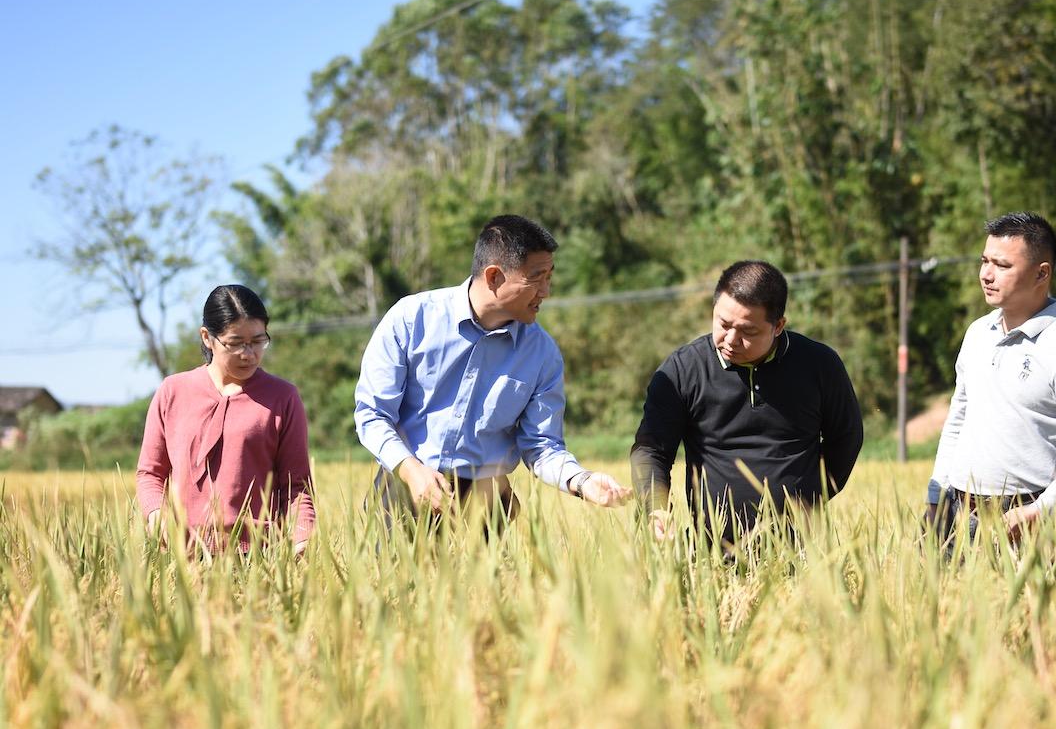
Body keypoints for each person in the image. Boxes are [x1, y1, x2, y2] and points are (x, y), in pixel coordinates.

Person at [355, 214, 631, 525]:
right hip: (404, 487)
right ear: (494, 277)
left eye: (549, 277)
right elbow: (372, 414)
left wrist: (582, 482)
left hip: (487, 505)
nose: (546, 292)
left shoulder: (542, 354)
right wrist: (410, 470)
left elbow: (541, 445)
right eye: (536, 277)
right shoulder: (411, 319)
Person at [631, 260, 864, 544]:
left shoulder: (819, 365)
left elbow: (846, 437)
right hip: (711, 552)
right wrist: (655, 508)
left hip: (803, 550)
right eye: (723, 324)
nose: (731, 339)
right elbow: (651, 449)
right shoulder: (682, 370)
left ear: (778, 326)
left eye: (748, 332)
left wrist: (811, 497)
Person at [925, 212, 1056, 543]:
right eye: (985, 261)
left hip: (1028, 519)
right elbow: (959, 417)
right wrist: (935, 495)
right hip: (957, 513)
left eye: (1002, 265)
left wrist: (1041, 510)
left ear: (1042, 273)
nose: (986, 274)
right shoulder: (977, 333)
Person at [136, 285, 315, 554]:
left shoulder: (283, 397)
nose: (248, 353)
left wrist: (303, 538)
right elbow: (150, 473)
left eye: (258, 341)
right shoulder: (172, 391)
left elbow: (297, 486)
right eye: (235, 343)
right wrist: (156, 514)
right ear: (207, 338)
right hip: (181, 557)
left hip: (257, 558)